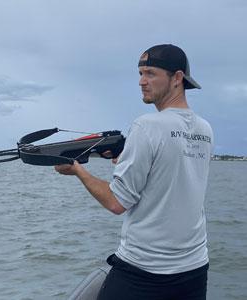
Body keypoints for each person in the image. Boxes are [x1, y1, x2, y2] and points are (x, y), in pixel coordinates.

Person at [55, 44, 213, 300]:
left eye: (150, 73)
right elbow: (169, 174)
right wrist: (125, 160)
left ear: (177, 78)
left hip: (144, 271)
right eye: (140, 73)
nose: (141, 81)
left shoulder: (147, 126)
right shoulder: (205, 130)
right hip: (194, 267)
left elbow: (117, 202)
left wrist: (78, 171)